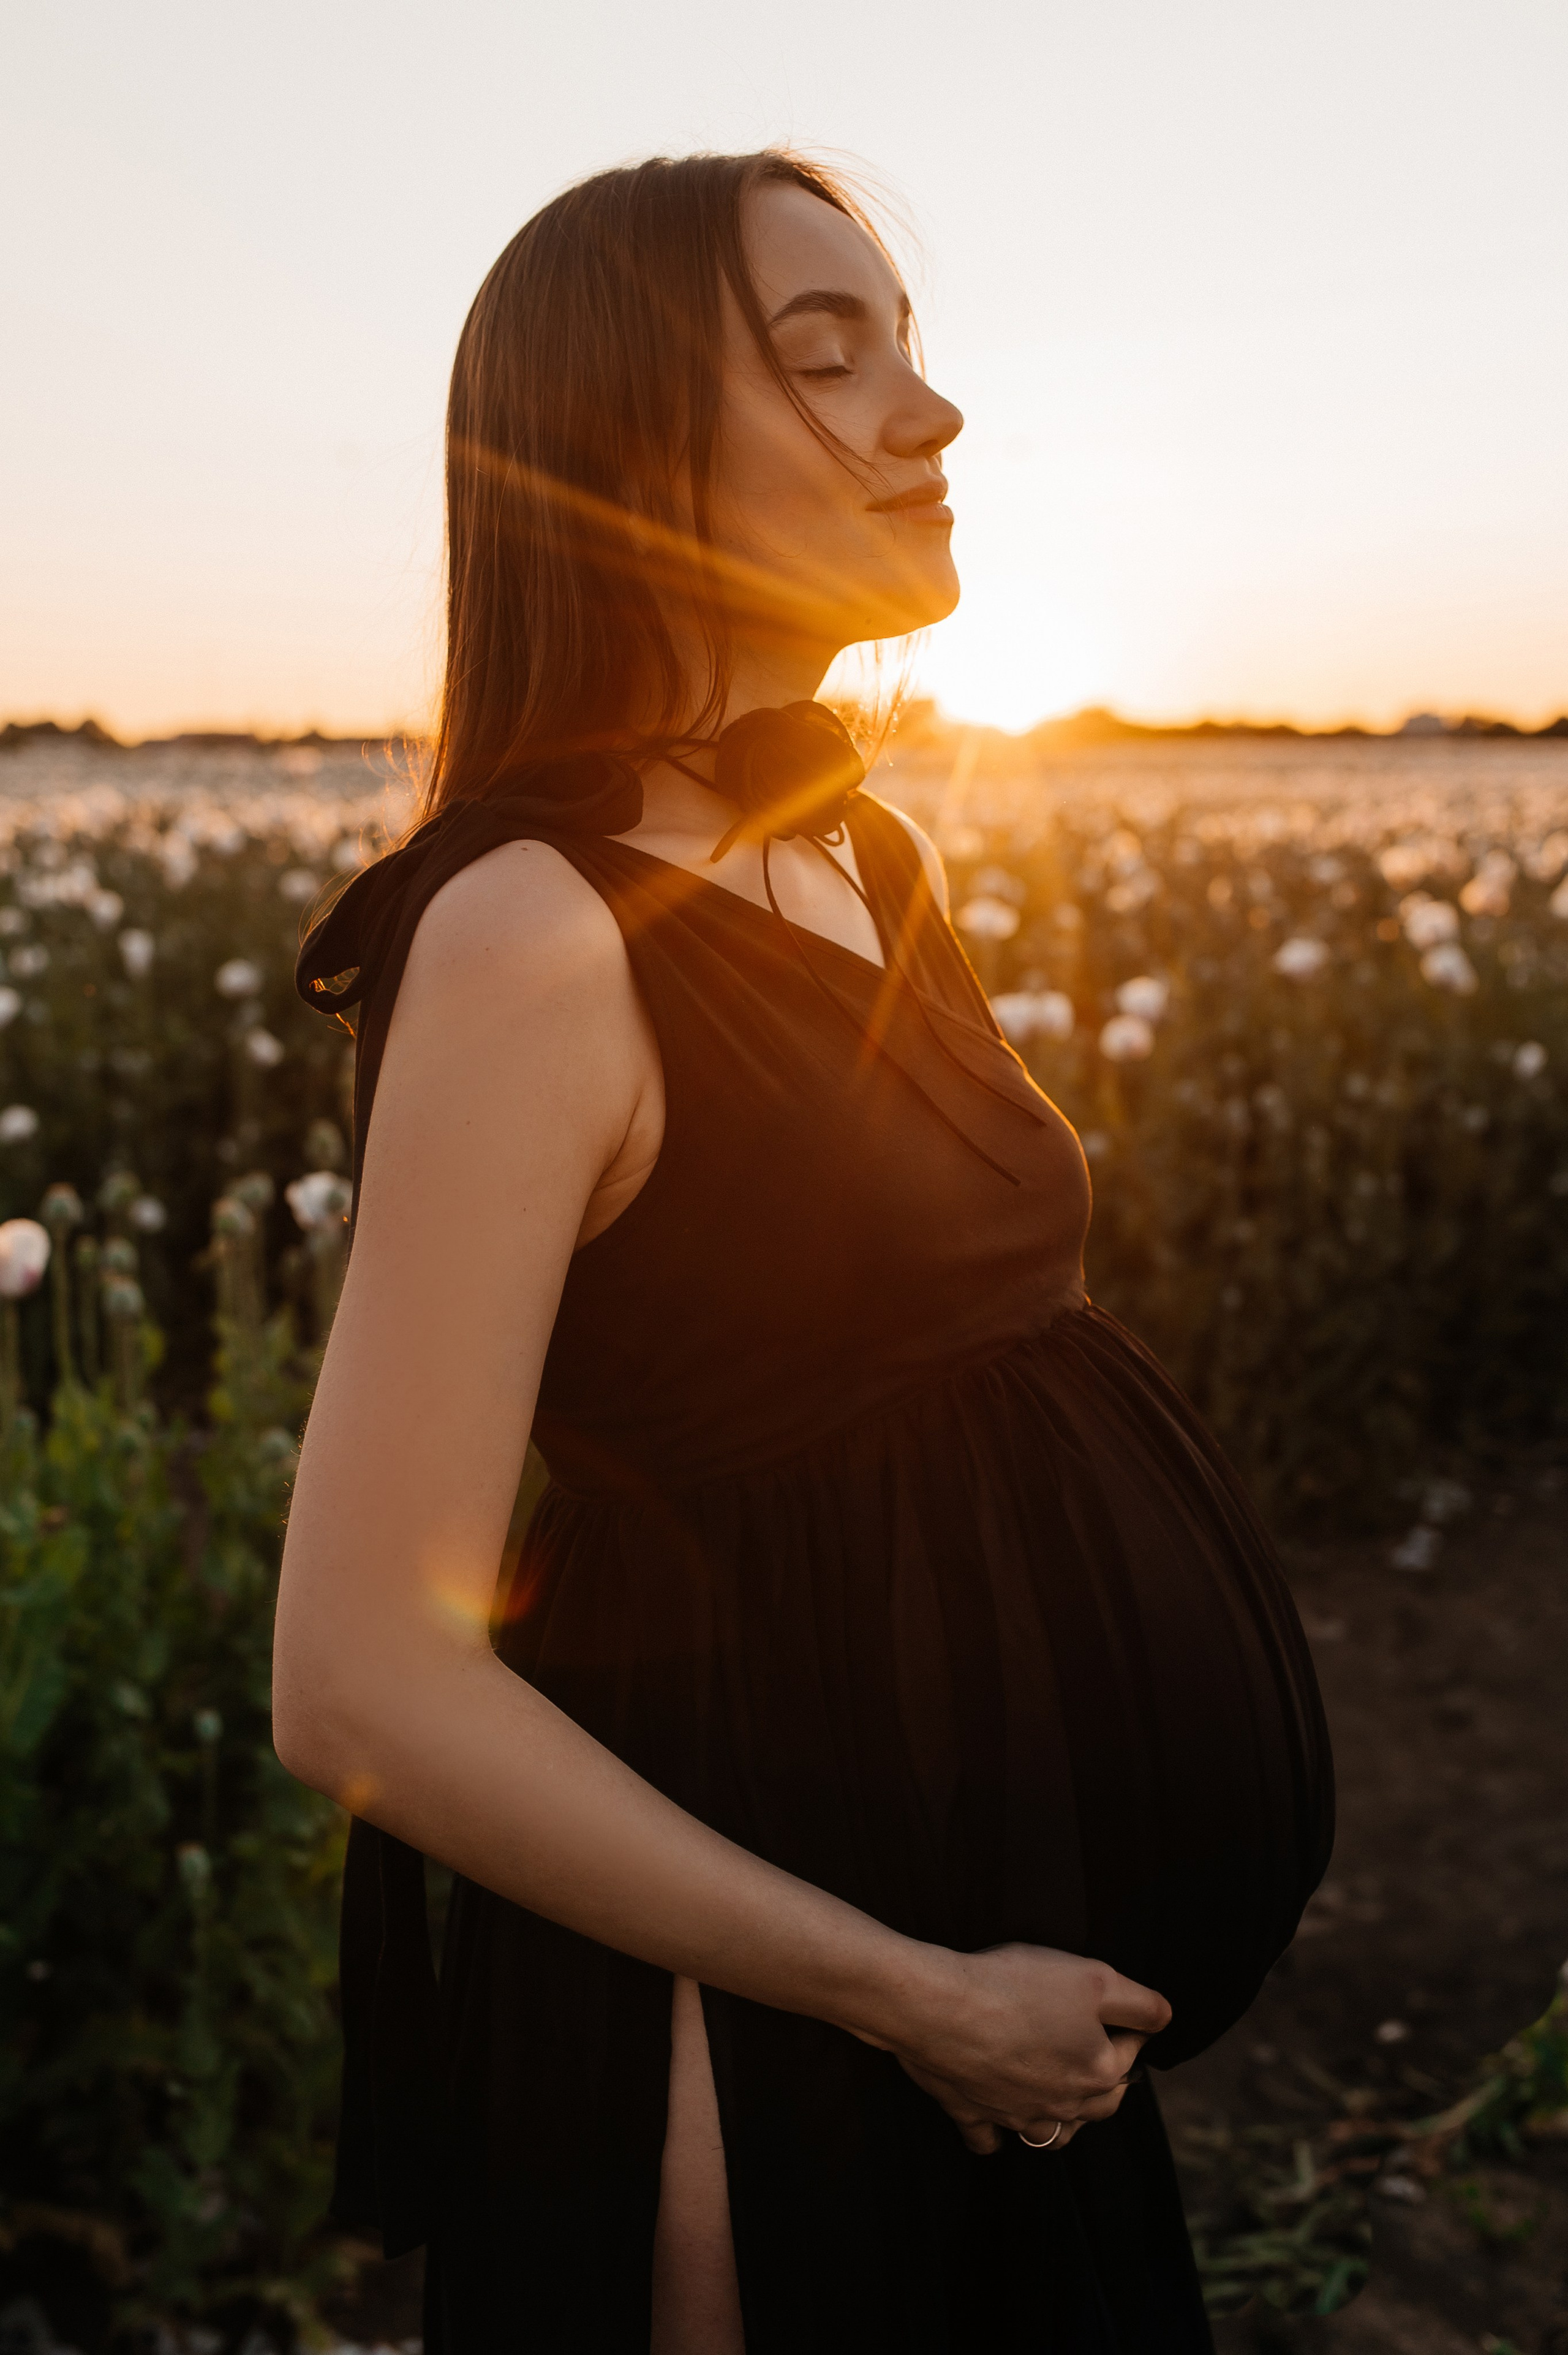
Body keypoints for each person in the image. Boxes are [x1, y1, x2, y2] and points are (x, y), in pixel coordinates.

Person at [274, 150, 1334, 2355]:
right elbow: (362, 1679)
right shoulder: (533, 937)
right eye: (824, 358)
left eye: (912, 350)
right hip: (771, 2015)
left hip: (995, 1988)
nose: (927, 416)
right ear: (618, 450)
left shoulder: (857, 852)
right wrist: (915, 1995)